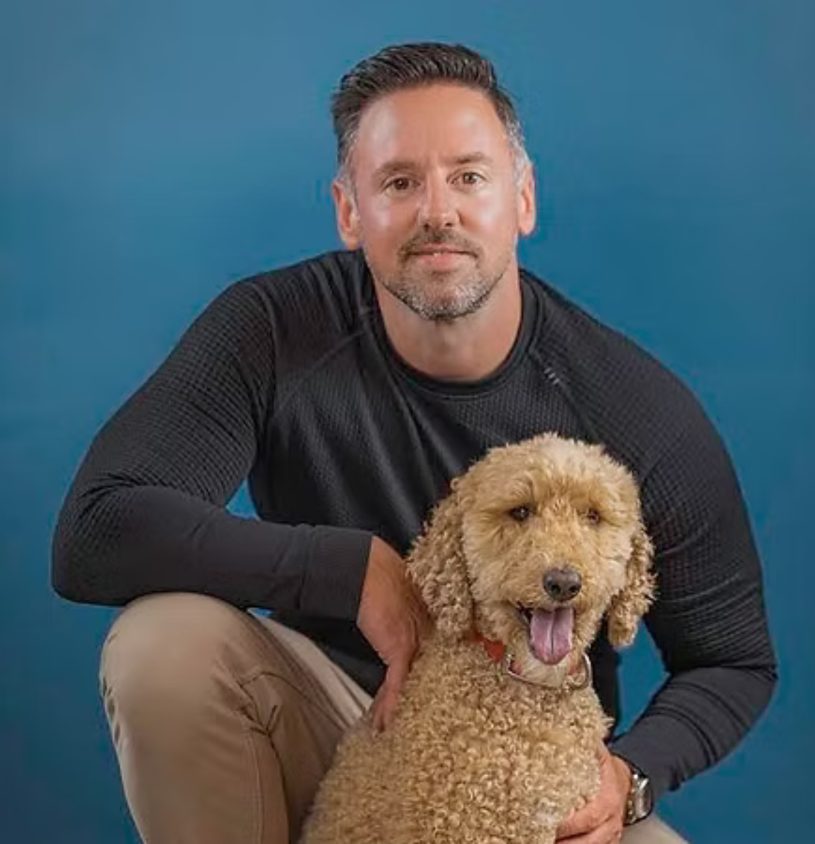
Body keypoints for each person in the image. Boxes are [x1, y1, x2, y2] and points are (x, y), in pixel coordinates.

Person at [52, 42, 776, 844]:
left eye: (469, 177)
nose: (439, 212)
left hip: (525, 772)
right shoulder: (272, 330)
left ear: (523, 199)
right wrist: (346, 571)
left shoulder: (632, 406)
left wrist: (629, 775)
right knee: (162, 644)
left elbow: (734, 661)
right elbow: (96, 529)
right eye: (400, 182)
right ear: (349, 211)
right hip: (322, 720)